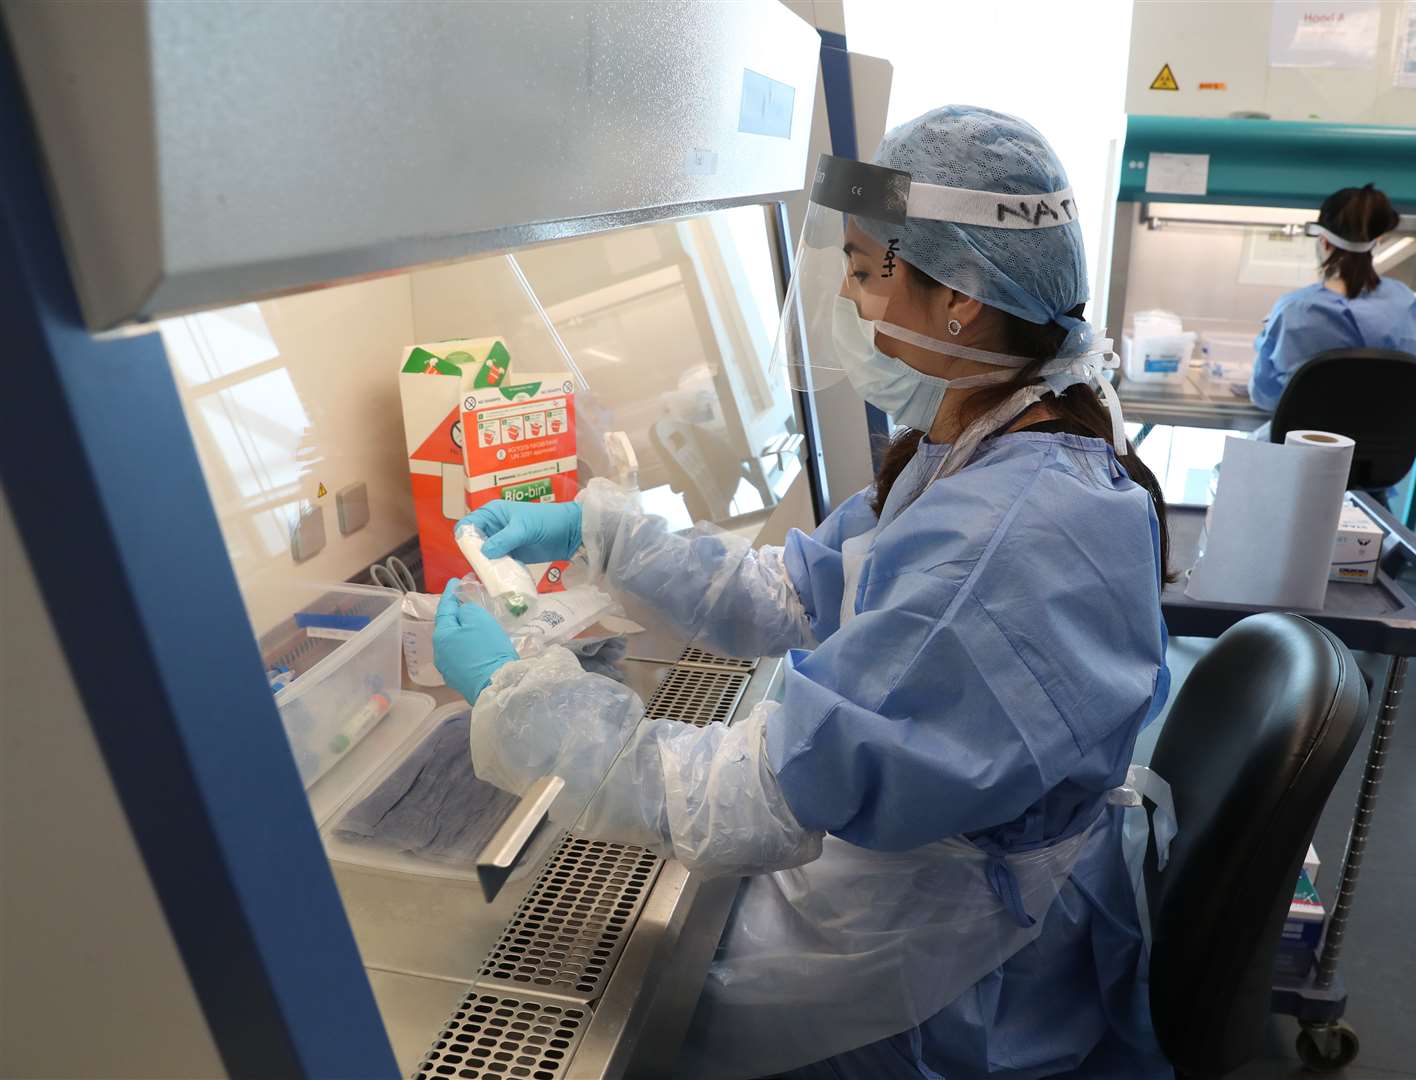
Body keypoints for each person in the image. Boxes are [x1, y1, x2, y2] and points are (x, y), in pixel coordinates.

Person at [434, 106, 1175, 1080]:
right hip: (946, 884)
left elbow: (752, 800)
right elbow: (795, 593)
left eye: (870, 269)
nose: (850, 295)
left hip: (948, 964)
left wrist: (524, 704)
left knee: (674, 1018)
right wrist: (600, 530)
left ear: (961, 298)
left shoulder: (1002, 530)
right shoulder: (999, 438)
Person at [1249, 184, 1416, 412]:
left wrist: (1265, 338)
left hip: (1306, 444)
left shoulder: (1296, 309)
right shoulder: (1404, 302)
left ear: (1324, 241)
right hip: (1381, 446)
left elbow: (1264, 395)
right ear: (1377, 241)